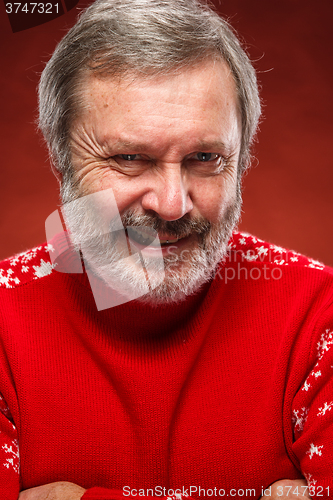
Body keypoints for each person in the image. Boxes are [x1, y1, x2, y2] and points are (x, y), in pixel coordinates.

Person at [0, 0, 332, 499]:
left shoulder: (319, 314)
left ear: (241, 160)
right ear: (60, 157)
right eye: (131, 158)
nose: (173, 205)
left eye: (205, 158)